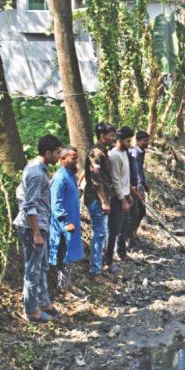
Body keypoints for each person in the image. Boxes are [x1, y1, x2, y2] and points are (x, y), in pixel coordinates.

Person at [14, 135, 63, 323]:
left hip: (41, 224)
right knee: (32, 270)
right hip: (32, 227)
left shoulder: (38, 169)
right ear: (48, 153)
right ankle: (31, 311)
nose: (59, 156)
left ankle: (44, 303)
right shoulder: (35, 172)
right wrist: (35, 233)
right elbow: (29, 205)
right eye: (57, 153)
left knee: (42, 267)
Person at [49, 146, 84, 299]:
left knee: (70, 257)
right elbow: (56, 203)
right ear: (62, 159)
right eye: (72, 158)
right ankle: (63, 290)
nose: (75, 161)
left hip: (73, 221)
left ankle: (67, 285)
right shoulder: (60, 177)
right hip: (64, 225)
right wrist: (64, 222)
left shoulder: (71, 176)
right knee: (65, 256)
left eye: (76, 158)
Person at [83, 123, 115, 279]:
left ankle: (101, 266)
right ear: (102, 136)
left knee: (104, 234)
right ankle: (95, 271)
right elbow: (96, 180)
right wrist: (104, 201)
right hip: (96, 199)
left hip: (103, 197)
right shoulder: (95, 153)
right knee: (100, 234)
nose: (113, 138)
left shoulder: (103, 152)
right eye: (111, 135)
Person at [106, 126, 134, 271]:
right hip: (116, 198)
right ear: (120, 140)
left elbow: (125, 179)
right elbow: (115, 180)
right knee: (114, 229)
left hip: (124, 194)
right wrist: (122, 199)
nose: (130, 144)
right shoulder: (115, 155)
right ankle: (108, 261)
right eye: (128, 141)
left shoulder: (124, 153)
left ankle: (121, 253)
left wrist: (128, 195)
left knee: (125, 225)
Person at [128, 131, 151, 244]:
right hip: (135, 186)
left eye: (148, 140)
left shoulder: (142, 152)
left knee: (141, 212)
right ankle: (131, 235)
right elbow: (136, 172)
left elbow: (141, 171)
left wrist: (145, 184)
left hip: (140, 185)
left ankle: (134, 233)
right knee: (137, 211)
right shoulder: (135, 153)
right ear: (138, 141)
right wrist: (139, 187)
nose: (147, 143)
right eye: (145, 141)